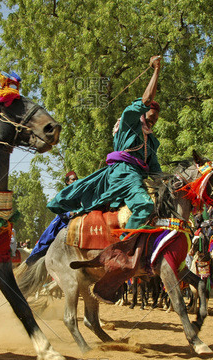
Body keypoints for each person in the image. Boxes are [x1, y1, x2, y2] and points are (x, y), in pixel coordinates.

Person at [47, 56, 162, 230]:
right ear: (143, 114)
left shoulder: (151, 141)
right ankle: (124, 244)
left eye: (155, 122)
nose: (152, 123)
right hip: (124, 174)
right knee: (144, 206)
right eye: (151, 119)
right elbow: (146, 100)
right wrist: (156, 70)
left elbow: (156, 172)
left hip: (138, 177)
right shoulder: (129, 121)